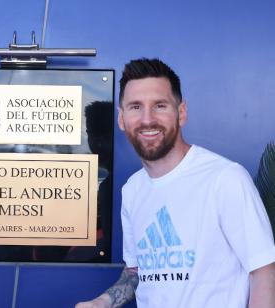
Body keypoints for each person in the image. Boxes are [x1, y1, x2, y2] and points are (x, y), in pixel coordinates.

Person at [76, 58, 275, 307]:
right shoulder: (133, 190)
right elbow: (136, 272)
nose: (147, 119)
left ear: (181, 113)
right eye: (136, 107)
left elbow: (264, 271)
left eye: (160, 105)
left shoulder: (224, 179)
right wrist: (103, 302)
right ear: (122, 118)